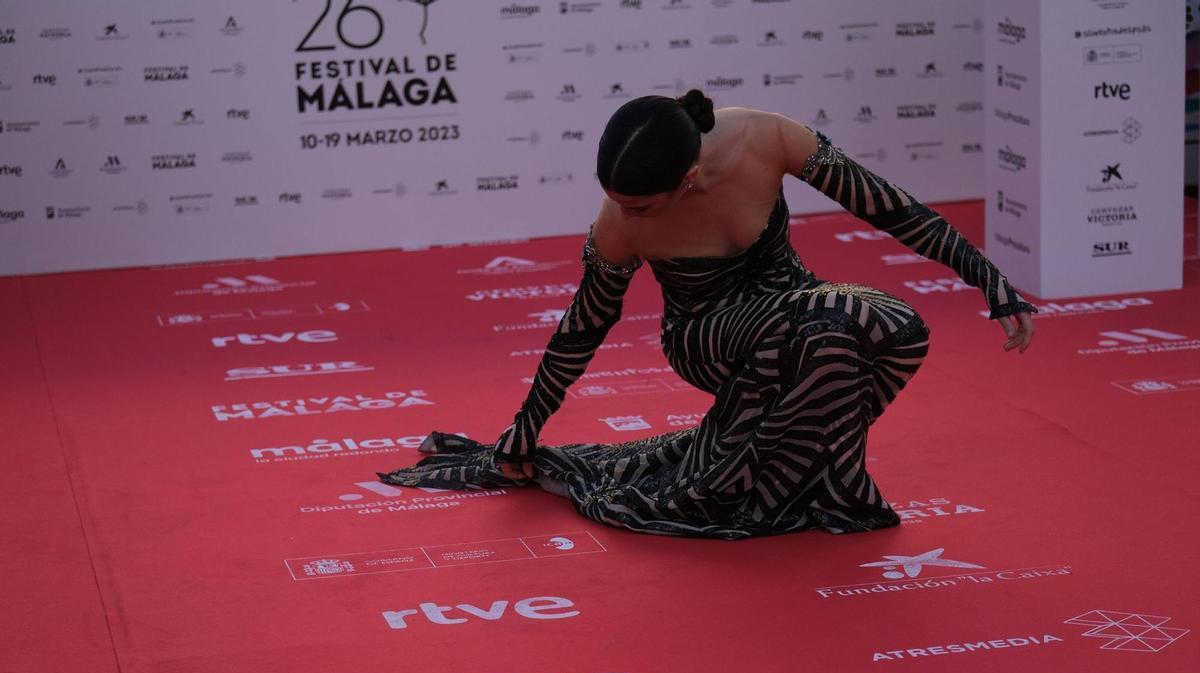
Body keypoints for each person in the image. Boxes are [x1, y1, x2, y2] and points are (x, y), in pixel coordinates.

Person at [379, 90, 1037, 539]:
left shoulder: (767, 138)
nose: (625, 216)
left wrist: (988, 277)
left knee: (898, 331)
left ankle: (818, 487)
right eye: (617, 202)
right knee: (832, 319)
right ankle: (791, 486)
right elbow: (583, 329)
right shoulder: (617, 226)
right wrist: (523, 429)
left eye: (641, 206)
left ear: (691, 176)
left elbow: (886, 205)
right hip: (704, 337)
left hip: (795, 310)